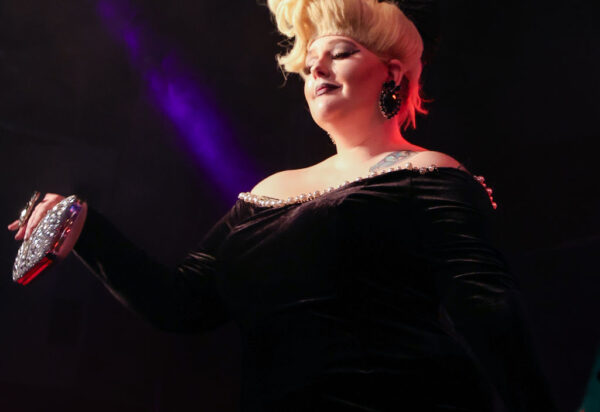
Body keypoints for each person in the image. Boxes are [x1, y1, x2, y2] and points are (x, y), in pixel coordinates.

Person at [8, 0, 556, 410]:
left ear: (392, 72)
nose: (317, 70)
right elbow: (182, 304)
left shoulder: (429, 173)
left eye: (341, 53)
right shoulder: (270, 191)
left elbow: (487, 308)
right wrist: (85, 227)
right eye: (310, 62)